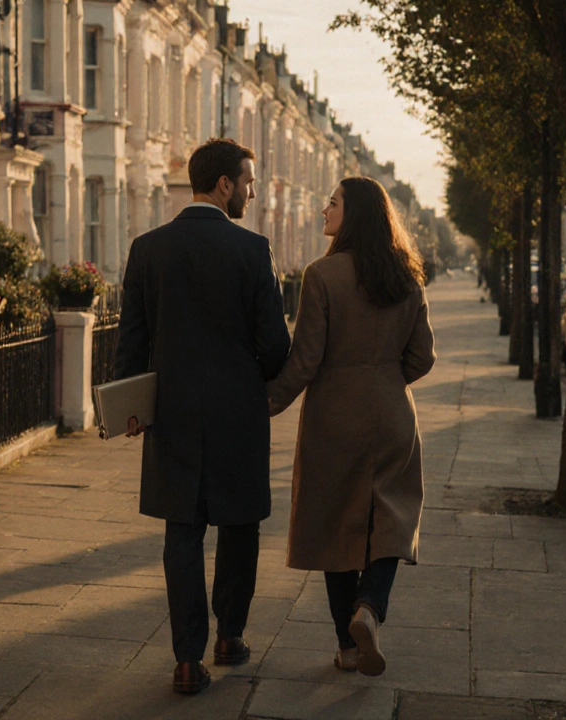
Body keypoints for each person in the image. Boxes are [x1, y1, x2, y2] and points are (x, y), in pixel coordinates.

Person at [114, 138, 292, 695]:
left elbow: (131, 343)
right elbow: (276, 347)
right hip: (238, 412)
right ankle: (229, 637)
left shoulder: (147, 249)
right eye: (248, 180)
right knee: (240, 527)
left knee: (183, 533)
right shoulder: (252, 249)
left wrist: (131, 410)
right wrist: (254, 376)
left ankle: (188, 659)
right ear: (224, 185)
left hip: (172, 413)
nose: (253, 191)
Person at [267, 176, 435, 677]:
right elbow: (423, 358)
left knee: (335, 524)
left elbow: (304, 361)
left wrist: (265, 405)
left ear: (354, 213)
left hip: (334, 417)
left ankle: (347, 645)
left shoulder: (322, 275)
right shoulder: (408, 277)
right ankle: (371, 608)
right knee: (392, 518)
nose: (324, 208)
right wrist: (384, 379)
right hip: (393, 412)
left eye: (333, 202)